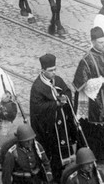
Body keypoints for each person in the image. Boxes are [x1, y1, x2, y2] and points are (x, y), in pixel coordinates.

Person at [71, 27, 104, 168]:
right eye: (100, 42)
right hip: (94, 102)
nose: (103, 44)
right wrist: (101, 80)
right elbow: (81, 84)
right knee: (100, 130)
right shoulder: (86, 60)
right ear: (93, 42)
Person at [29, 53, 76, 182]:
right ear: (43, 70)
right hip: (49, 127)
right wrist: (55, 104)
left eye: (55, 69)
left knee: (64, 149)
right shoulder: (37, 87)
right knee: (53, 154)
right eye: (50, 71)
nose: (54, 73)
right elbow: (38, 108)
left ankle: (64, 172)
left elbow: (66, 90)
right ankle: (54, 176)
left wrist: (65, 98)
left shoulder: (58, 80)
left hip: (62, 124)